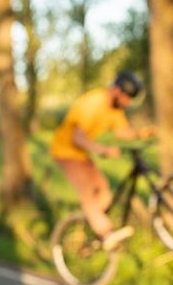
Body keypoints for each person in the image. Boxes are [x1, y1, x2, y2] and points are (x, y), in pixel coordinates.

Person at [51, 71, 154, 250]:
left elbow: (121, 132)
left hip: (81, 154)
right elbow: (77, 137)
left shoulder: (114, 109)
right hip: (65, 151)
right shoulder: (94, 102)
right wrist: (103, 150)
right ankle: (105, 232)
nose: (127, 102)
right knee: (88, 192)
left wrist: (142, 133)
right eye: (126, 97)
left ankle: (89, 227)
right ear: (115, 90)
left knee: (103, 189)